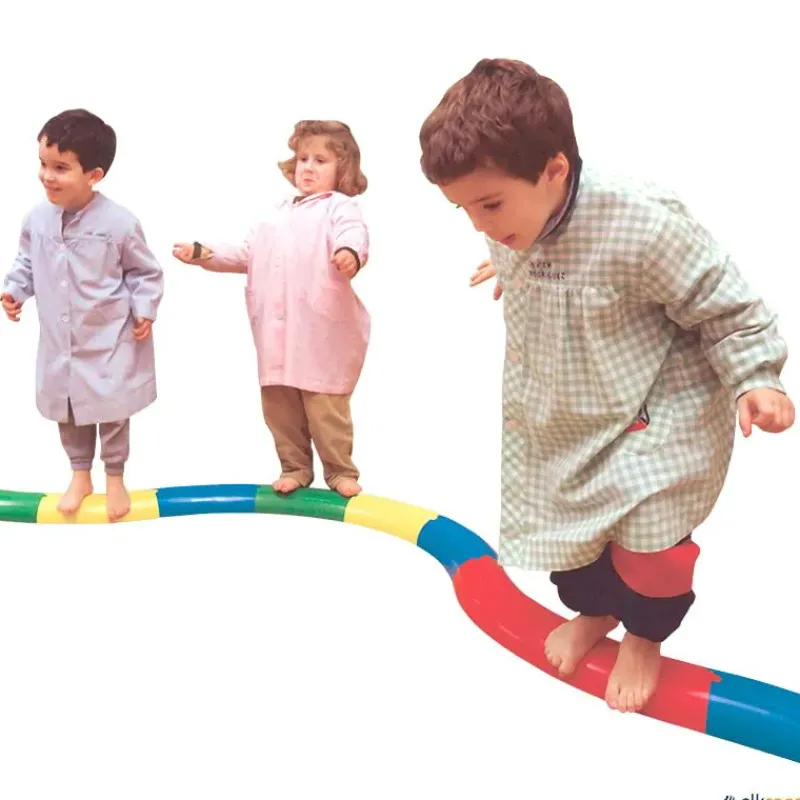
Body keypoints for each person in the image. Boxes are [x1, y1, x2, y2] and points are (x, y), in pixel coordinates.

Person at [418, 58, 795, 713]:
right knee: (571, 533)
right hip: (570, 405)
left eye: (490, 205)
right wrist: (513, 259)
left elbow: (725, 304)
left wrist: (756, 378)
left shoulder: (642, 223)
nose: (480, 223)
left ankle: (644, 637)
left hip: (658, 413)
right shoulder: (518, 221)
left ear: (554, 170)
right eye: (464, 209)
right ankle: (595, 613)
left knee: (651, 549)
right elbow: (532, 243)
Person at [172, 120, 370, 498]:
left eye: (320, 161)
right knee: (280, 406)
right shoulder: (273, 215)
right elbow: (247, 254)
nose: (308, 167)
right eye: (303, 158)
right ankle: (294, 466)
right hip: (276, 332)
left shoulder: (340, 208)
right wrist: (205, 254)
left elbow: (354, 234)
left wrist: (349, 253)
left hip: (319, 328)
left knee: (324, 406)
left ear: (342, 169)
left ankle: (340, 470)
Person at [2, 109, 164, 521]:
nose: (47, 176)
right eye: (43, 164)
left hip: (109, 337)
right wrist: (15, 290)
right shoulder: (37, 219)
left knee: (112, 411)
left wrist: (144, 309)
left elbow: (144, 272)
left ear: (94, 175)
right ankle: (79, 474)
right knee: (68, 408)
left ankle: (114, 476)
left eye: (60, 168)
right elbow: (26, 261)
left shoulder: (118, 223)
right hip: (62, 341)